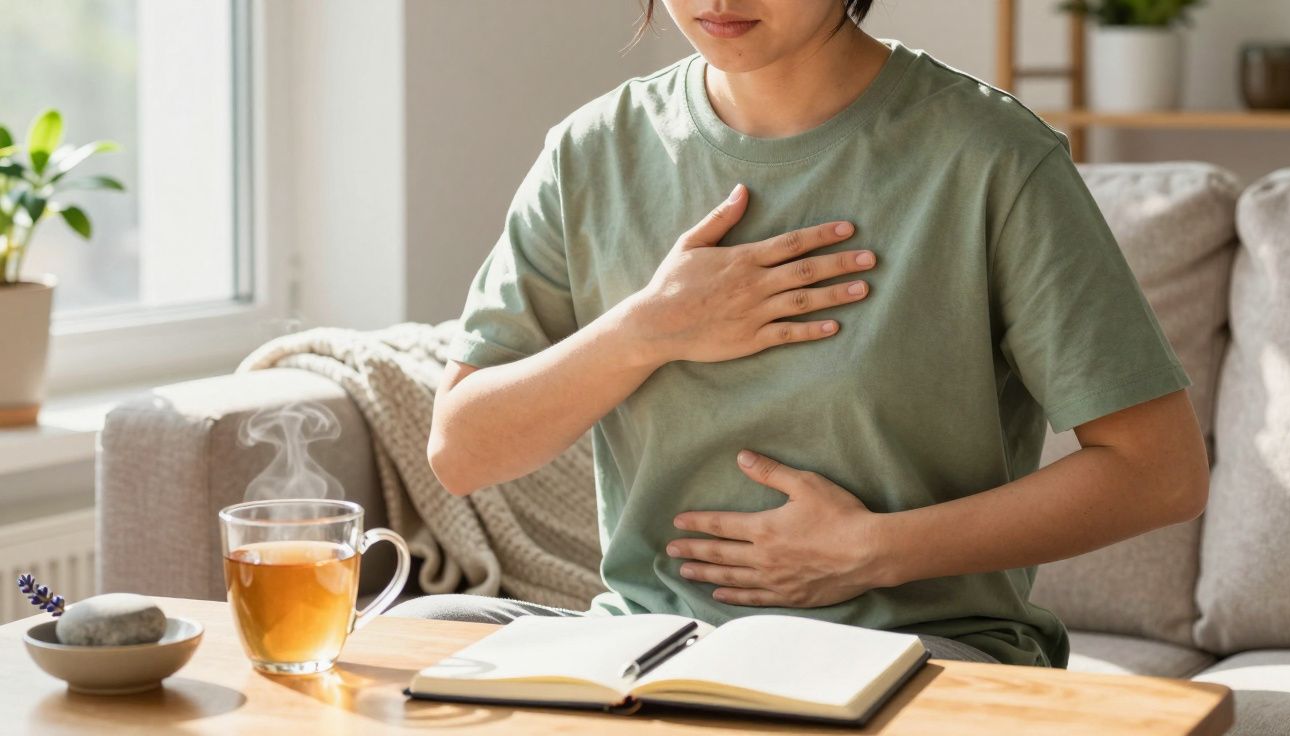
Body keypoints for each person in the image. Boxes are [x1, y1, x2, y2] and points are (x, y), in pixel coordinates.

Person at [387, 0, 1209, 668]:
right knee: (413, 638)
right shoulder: (590, 153)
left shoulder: (992, 157)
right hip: (653, 641)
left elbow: (1159, 472)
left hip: (919, 650)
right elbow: (462, 450)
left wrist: (874, 551)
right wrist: (647, 328)